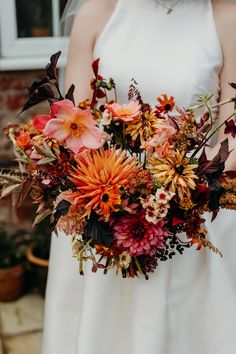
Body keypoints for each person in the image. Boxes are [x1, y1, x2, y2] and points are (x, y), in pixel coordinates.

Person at [42, 1, 236, 354]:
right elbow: (73, 126)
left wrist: (172, 191)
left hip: (192, 215)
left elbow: (232, 135)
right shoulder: (97, 13)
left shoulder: (225, 17)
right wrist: (118, 190)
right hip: (104, 212)